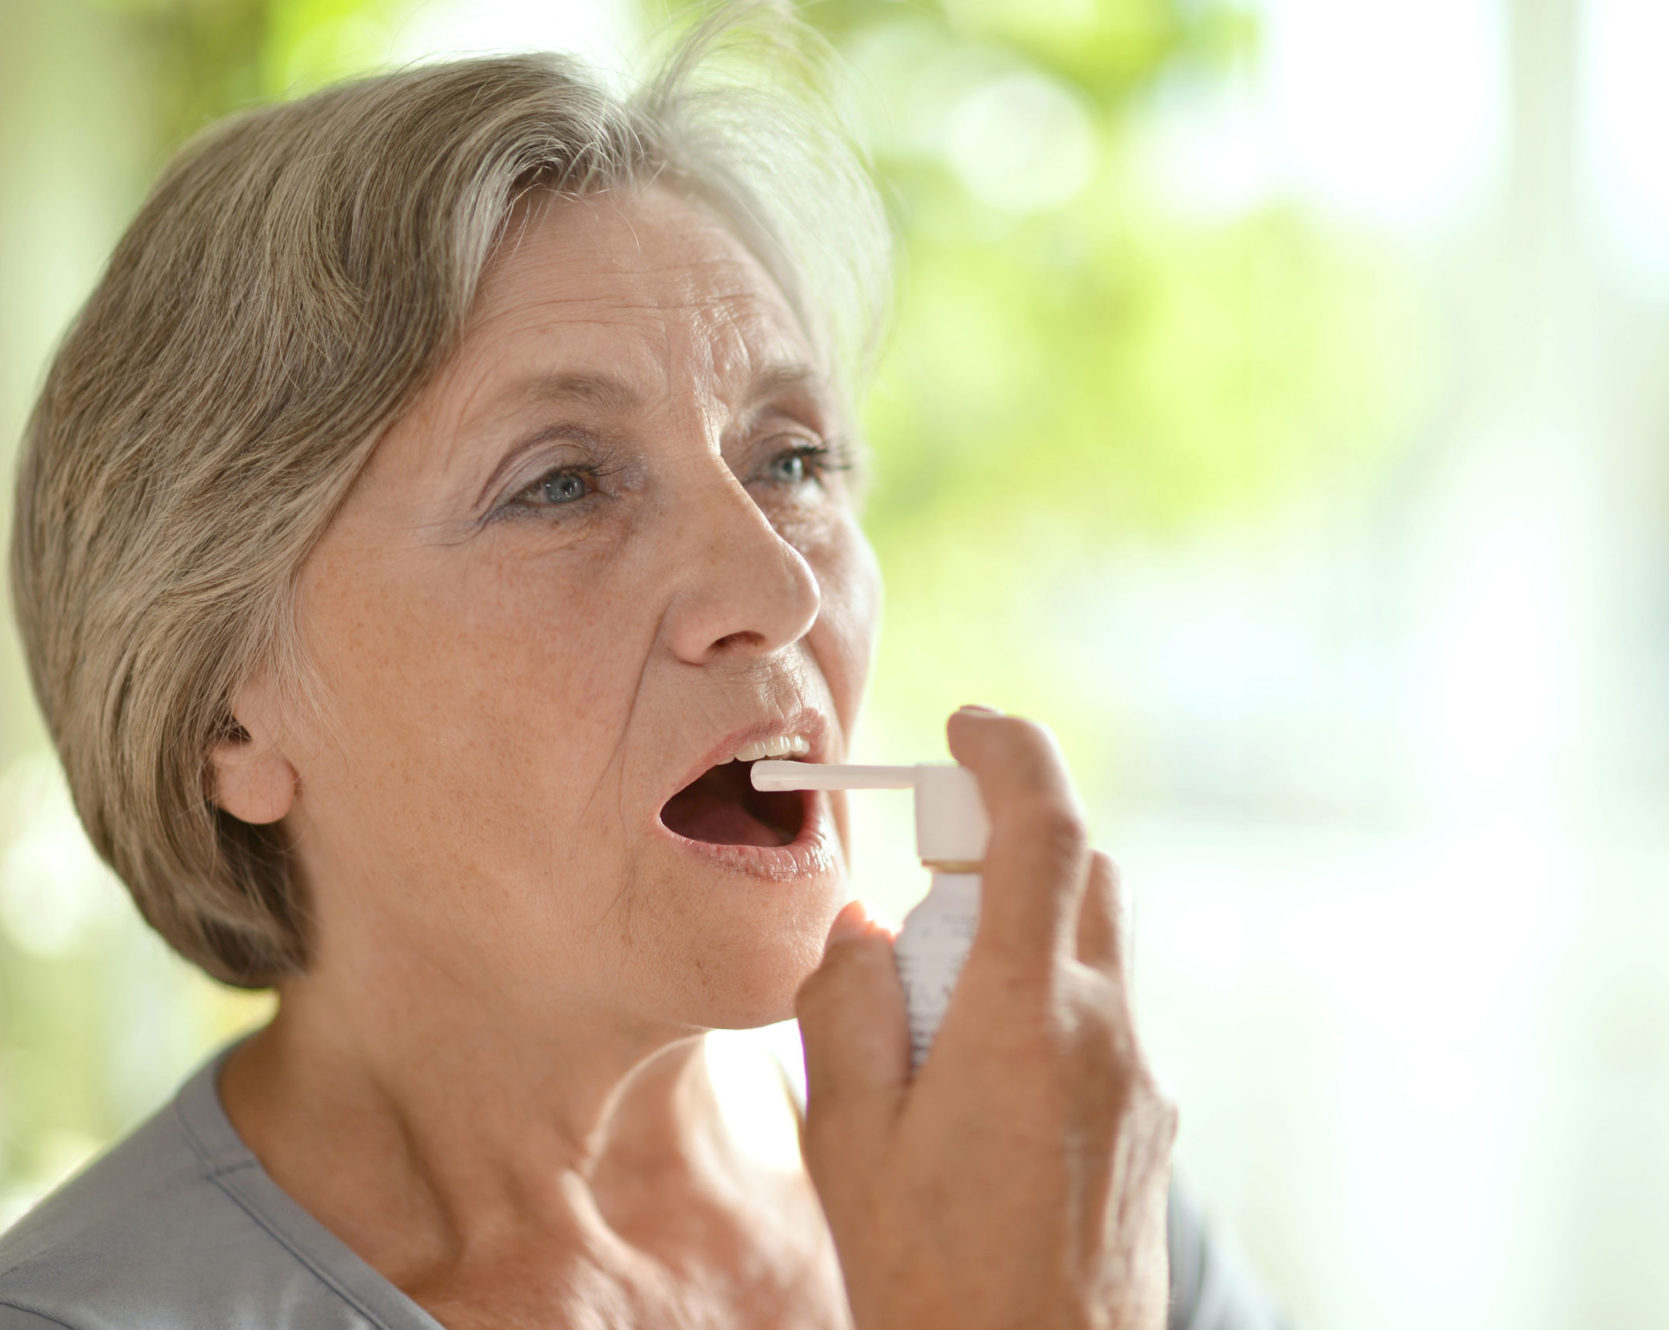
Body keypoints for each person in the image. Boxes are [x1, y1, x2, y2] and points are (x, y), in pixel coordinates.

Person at [0, 6, 1279, 1327]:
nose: (777, 588)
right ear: (228, 721)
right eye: (559, 484)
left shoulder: (1050, 1194)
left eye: (791, 460)